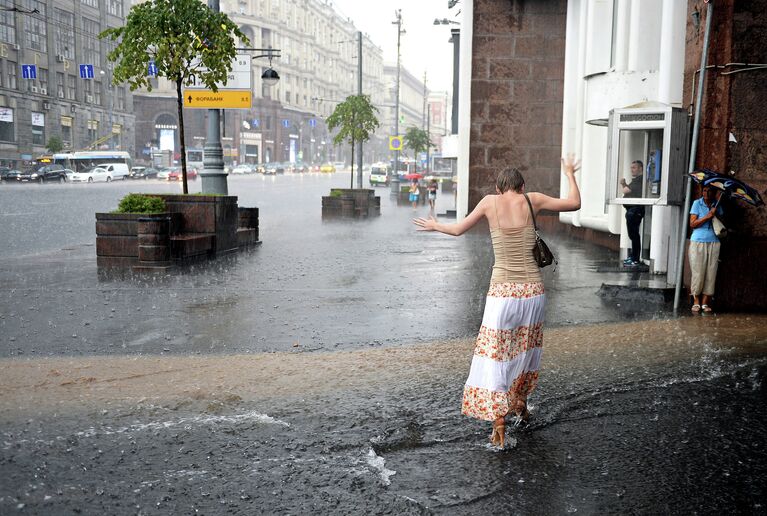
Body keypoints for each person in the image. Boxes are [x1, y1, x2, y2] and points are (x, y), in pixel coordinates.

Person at [413, 156, 581, 448]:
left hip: (502, 294)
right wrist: (569, 173)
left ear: (498, 187)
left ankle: (499, 423)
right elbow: (574, 203)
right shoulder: (534, 200)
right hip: (533, 294)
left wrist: (434, 225)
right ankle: (521, 406)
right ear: (522, 186)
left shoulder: (490, 202)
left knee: (495, 355)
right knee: (525, 350)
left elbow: (457, 230)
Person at [688, 185, 723, 314]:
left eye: (709, 191)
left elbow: (722, 223)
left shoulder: (717, 204)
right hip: (698, 241)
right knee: (698, 271)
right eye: (704, 190)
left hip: (714, 241)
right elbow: (692, 224)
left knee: (711, 272)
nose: (706, 193)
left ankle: (705, 301)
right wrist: (707, 216)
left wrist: (717, 209)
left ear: (714, 193)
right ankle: (696, 301)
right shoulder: (697, 203)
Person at [620, 160, 645, 266]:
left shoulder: (639, 180)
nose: (631, 170)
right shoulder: (636, 180)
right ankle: (633, 257)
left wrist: (623, 183)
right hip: (631, 211)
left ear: (640, 168)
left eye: (634, 168)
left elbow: (626, 191)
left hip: (635, 211)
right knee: (632, 235)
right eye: (631, 168)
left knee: (634, 235)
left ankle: (635, 259)